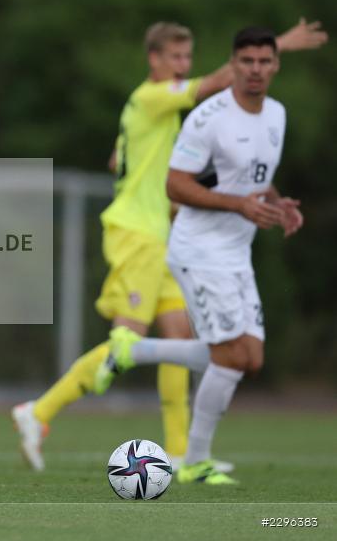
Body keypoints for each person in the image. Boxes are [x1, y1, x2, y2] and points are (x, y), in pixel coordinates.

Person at [13, 18, 326, 471]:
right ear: (153, 60)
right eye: (174, 58)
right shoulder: (151, 96)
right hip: (136, 232)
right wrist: (279, 45)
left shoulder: (156, 112)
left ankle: (180, 455)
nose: (183, 67)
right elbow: (218, 81)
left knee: (179, 336)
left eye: (187, 58)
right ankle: (37, 413)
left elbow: (124, 157)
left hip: (163, 234)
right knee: (127, 340)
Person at [94, 26, 304, 485]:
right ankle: (194, 458)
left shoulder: (277, 115)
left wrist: (274, 199)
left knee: (249, 357)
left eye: (264, 61)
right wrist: (241, 205)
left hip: (236, 249)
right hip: (198, 248)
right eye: (245, 61)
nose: (255, 70)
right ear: (233, 64)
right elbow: (176, 185)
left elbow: (250, 175)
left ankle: (135, 349)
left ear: (276, 66)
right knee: (229, 355)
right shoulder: (208, 117)